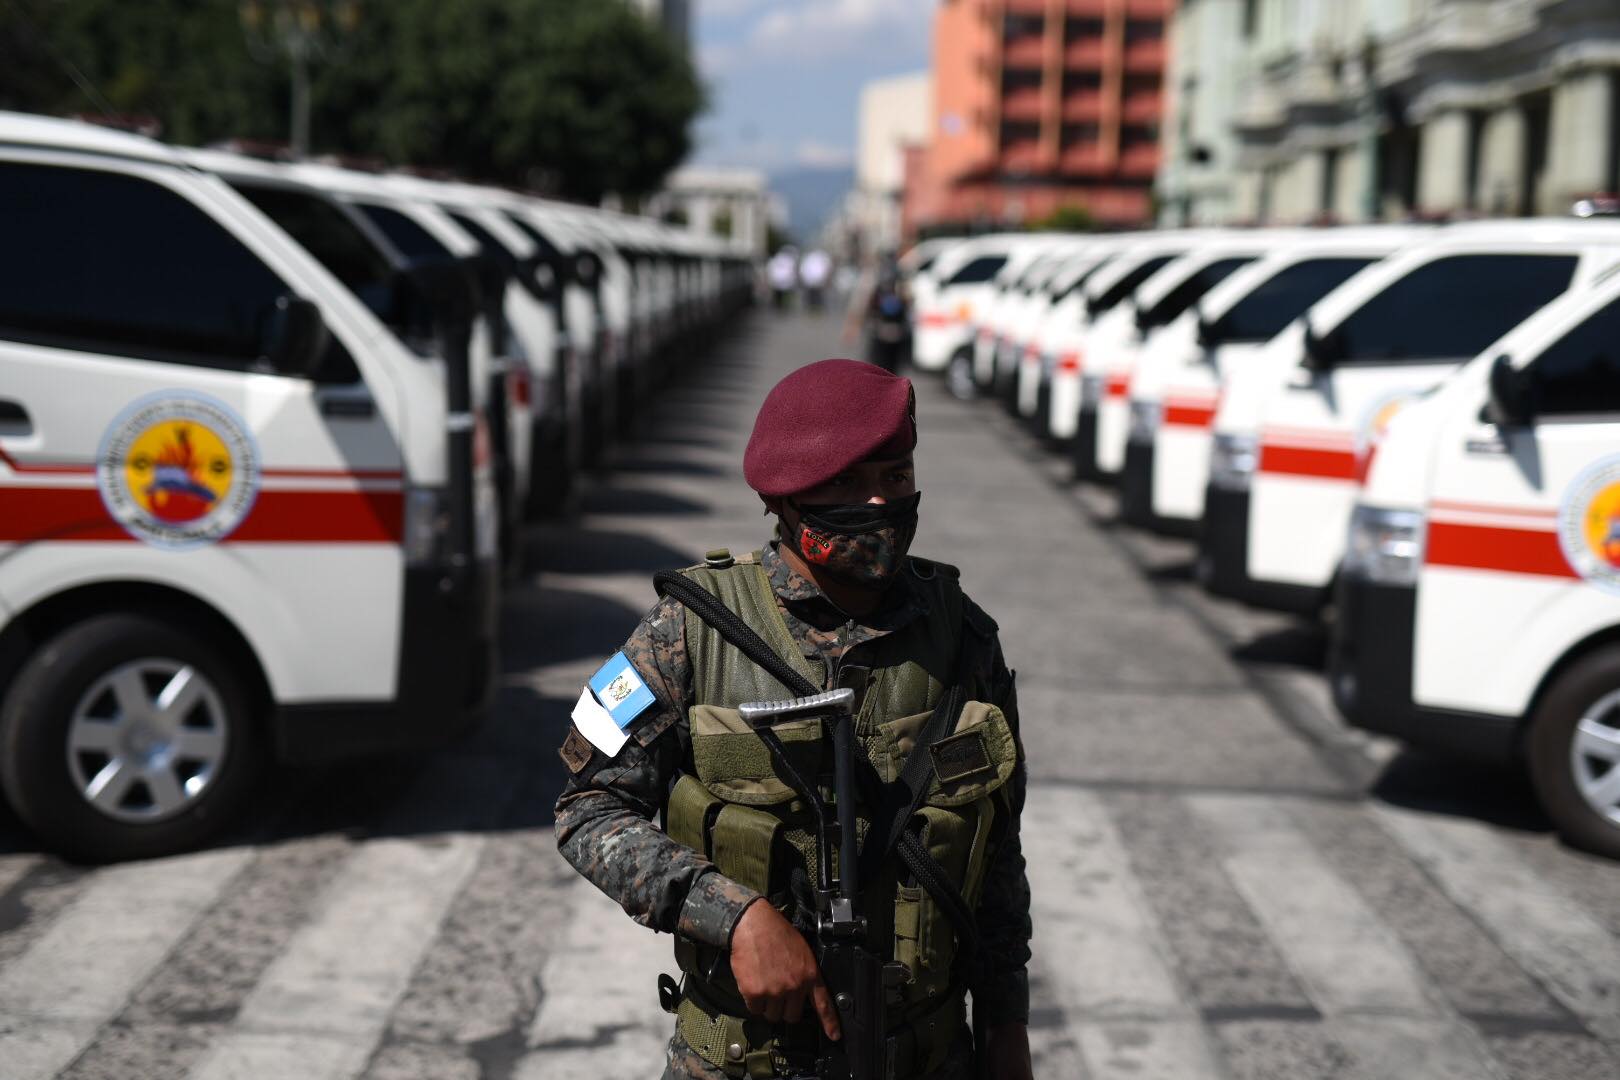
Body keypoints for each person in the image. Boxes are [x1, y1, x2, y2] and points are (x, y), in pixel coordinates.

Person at [554, 359, 1033, 1080]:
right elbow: (587, 811)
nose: (877, 502)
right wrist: (733, 916)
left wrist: (1007, 1024)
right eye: (845, 483)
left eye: (895, 477)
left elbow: (997, 854)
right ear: (785, 496)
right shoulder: (689, 631)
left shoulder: (962, 639)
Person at [843, 255, 911, 373]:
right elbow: (861, 305)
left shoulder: (897, 280)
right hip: (885, 333)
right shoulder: (895, 279)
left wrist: (853, 327)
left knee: (882, 371)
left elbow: (861, 305)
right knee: (885, 371)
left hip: (888, 334)